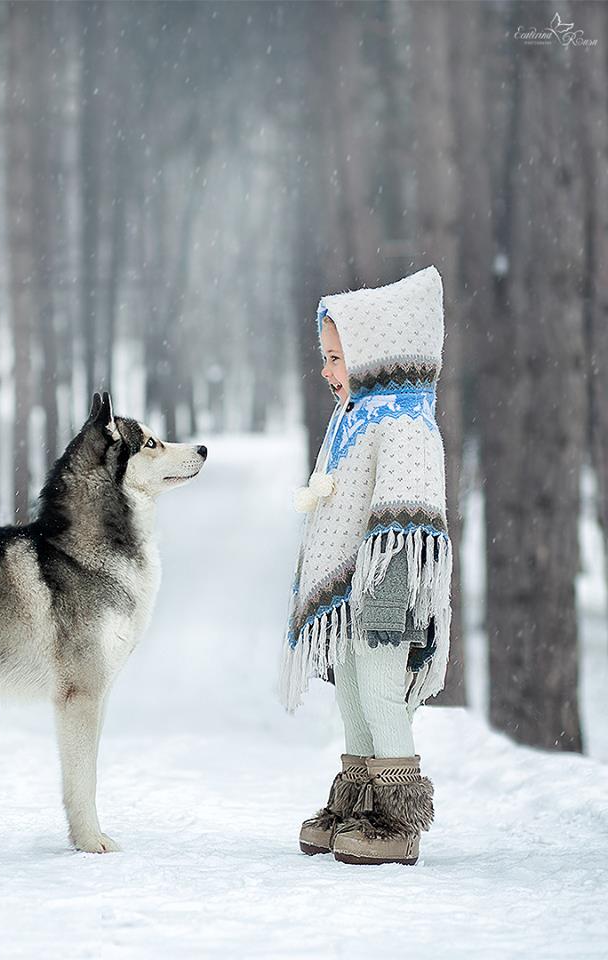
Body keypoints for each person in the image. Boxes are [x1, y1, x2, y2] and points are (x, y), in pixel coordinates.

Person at [280, 265, 452, 866]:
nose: (326, 371)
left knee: (382, 692)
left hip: (387, 587)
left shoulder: (405, 425)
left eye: (335, 357)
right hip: (355, 588)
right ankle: (358, 797)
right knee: (352, 688)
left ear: (377, 355)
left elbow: (406, 515)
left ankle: (398, 816)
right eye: (325, 357)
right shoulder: (356, 416)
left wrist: (386, 594)